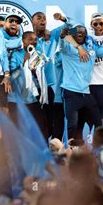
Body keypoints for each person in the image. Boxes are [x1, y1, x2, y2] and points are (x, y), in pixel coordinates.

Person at [57, 24, 103, 140]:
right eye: (77, 31)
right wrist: (62, 36)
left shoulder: (91, 48)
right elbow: (62, 43)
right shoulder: (68, 47)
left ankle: (98, 148)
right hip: (71, 92)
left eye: (82, 31)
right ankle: (69, 150)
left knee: (98, 122)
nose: (80, 33)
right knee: (72, 124)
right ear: (72, 35)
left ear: (86, 34)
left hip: (86, 92)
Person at [32, 11, 73, 139]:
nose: (42, 20)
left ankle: (54, 148)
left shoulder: (52, 35)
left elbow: (70, 26)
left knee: (52, 120)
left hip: (50, 85)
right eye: (39, 18)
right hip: (34, 86)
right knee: (38, 121)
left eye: (44, 18)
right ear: (32, 22)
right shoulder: (29, 38)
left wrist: (62, 18)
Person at [7, 32, 48, 139]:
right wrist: (23, 63)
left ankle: (41, 153)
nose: (33, 42)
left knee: (40, 129)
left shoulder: (38, 55)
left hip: (32, 99)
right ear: (23, 40)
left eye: (35, 40)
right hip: (16, 100)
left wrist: (35, 72)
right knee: (18, 132)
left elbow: (40, 80)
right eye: (30, 39)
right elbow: (11, 77)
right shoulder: (15, 54)